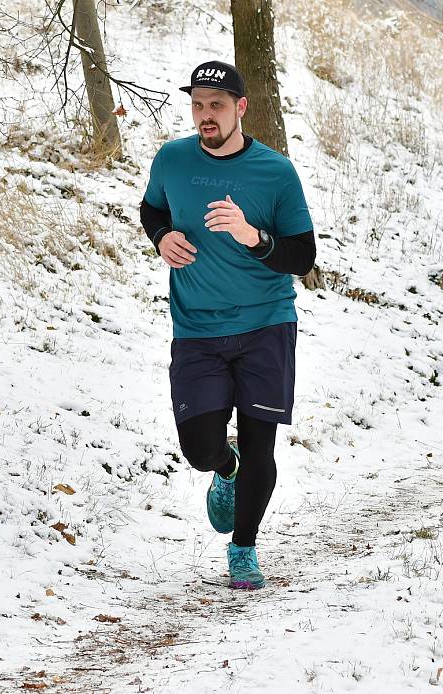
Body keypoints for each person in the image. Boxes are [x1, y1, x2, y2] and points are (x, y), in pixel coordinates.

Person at [140, 60, 316, 590]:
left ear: (241, 108)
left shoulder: (275, 172)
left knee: (262, 443)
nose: (204, 115)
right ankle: (225, 467)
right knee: (198, 446)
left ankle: (243, 549)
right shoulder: (172, 159)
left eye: (216, 104)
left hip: (266, 324)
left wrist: (253, 236)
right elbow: (152, 210)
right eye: (197, 104)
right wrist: (161, 237)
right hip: (196, 327)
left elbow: (302, 256)